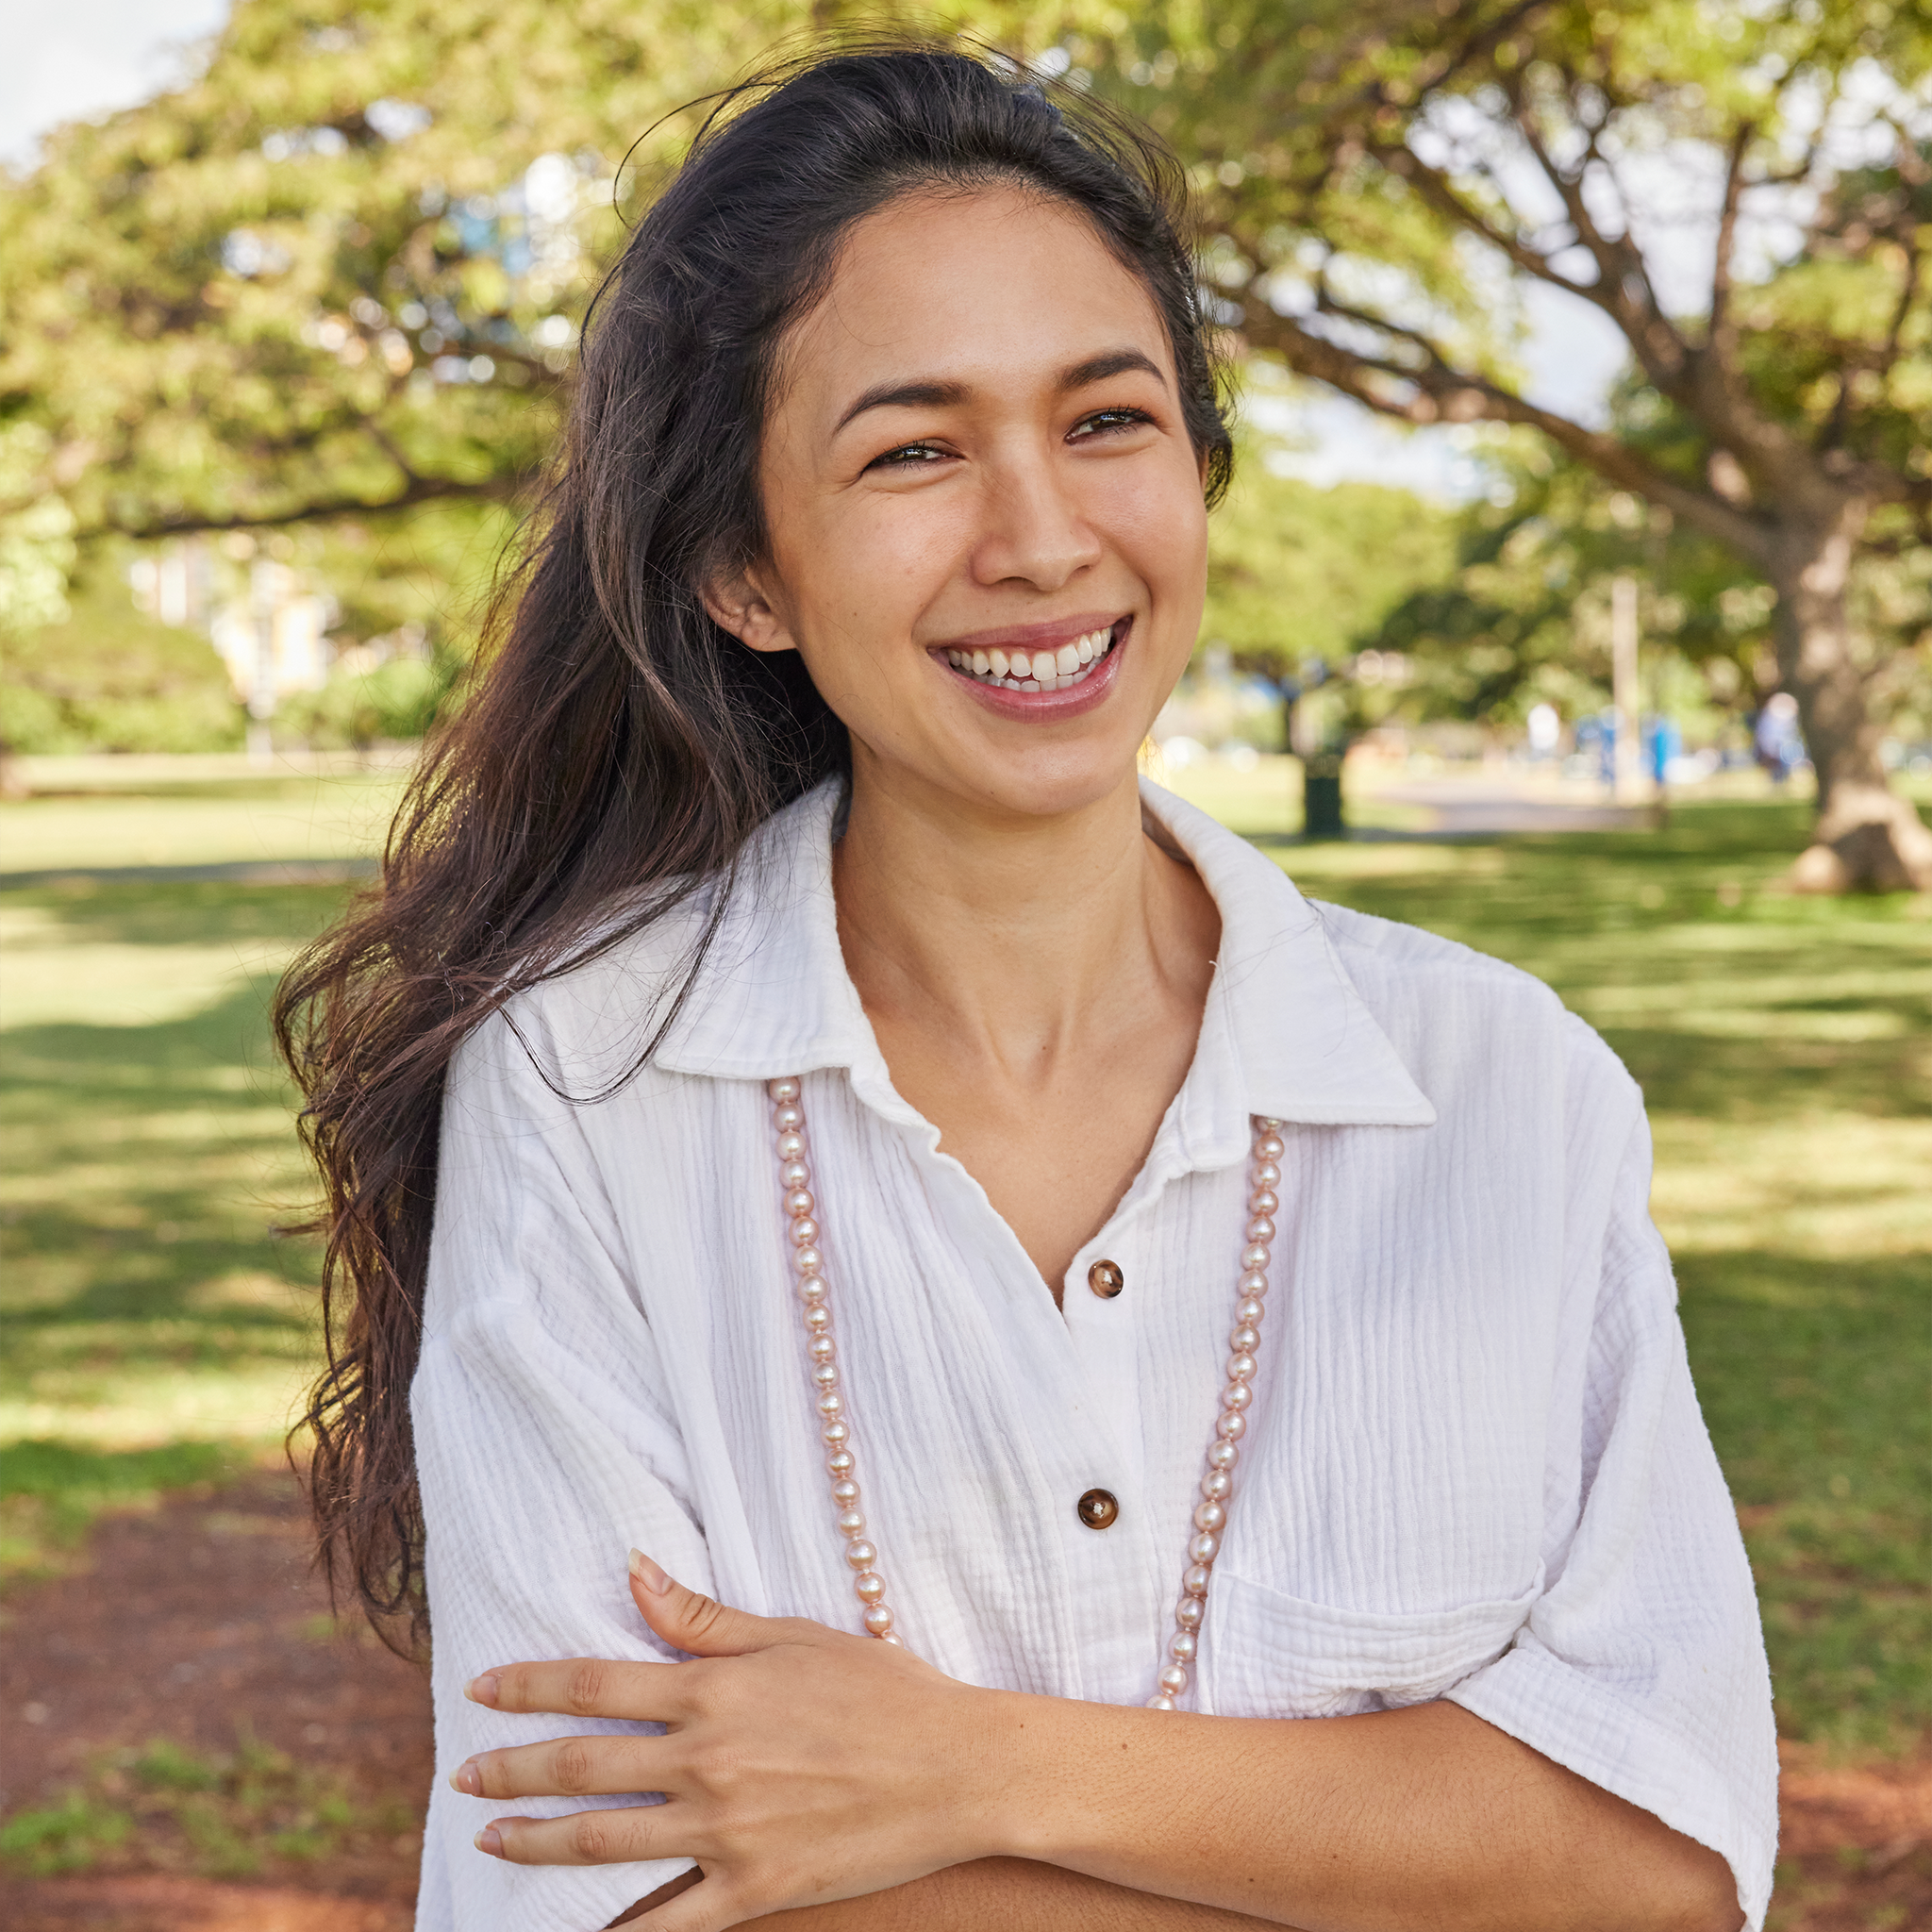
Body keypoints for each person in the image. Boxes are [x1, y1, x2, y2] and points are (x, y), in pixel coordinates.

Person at [276, 42, 1776, 1932]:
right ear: (746, 566)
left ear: (1199, 468)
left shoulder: (1510, 1092)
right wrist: (1400, 1844)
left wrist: (958, 1774)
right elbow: (607, 1897)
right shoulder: (588, 1089)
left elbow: (1657, 1863)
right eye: (912, 448)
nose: (1042, 538)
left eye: (1107, 420)